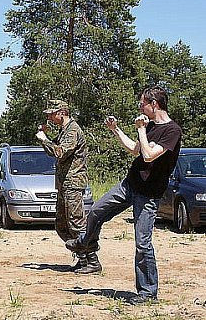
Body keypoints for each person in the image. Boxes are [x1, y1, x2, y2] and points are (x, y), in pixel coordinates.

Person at [66, 86, 182, 305]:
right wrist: (115, 129)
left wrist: (141, 129)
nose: (140, 107)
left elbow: (148, 156)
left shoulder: (171, 131)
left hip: (148, 195)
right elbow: (134, 149)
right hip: (129, 185)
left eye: (142, 104)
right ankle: (84, 243)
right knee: (96, 211)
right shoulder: (150, 127)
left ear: (153, 104)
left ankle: (148, 293)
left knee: (143, 244)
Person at [36, 100, 89, 272]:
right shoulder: (64, 131)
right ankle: (82, 257)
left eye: (51, 114)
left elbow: (60, 152)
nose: (49, 117)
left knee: (76, 223)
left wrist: (45, 139)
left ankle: (91, 260)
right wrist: (45, 138)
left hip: (73, 183)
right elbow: (54, 150)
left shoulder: (72, 130)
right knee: (61, 224)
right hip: (64, 183)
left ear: (62, 113)